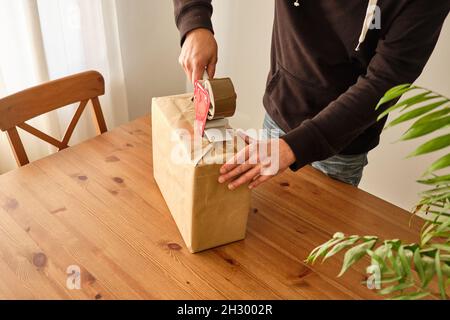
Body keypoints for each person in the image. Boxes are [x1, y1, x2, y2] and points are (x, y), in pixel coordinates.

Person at [173, 0, 450, 189]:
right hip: (279, 111)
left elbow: (385, 81)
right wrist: (195, 23)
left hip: (340, 146)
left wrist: (294, 147)